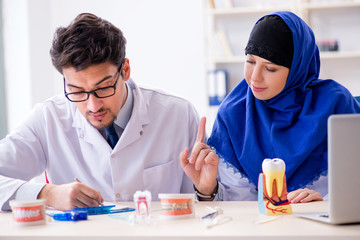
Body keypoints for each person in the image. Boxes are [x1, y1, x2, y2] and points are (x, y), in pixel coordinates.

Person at [0, 13, 200, 211]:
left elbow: (207, 205)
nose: (93, 106)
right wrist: (46, 194)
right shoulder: (48, 119)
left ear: (125, 70)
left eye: (103, 88)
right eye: (77, 91)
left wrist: (207, 192)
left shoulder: (179, 115)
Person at [180, 11, 360, 203]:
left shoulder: (336, 103)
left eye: (270, 68)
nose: (255, 77)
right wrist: (208, 190)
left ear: (297, 69)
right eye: (250, 61)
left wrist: (326, 203)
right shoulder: (234, 112)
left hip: (325, 230)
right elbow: (237, 205)